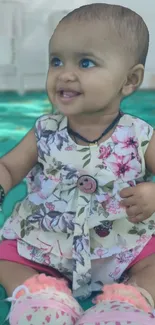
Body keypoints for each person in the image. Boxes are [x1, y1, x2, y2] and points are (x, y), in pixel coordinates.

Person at [0, 3, 155, 324]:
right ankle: (41, 294)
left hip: (122, 244)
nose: (65, 73)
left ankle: (130, 299)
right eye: (56, 61)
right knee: (5, 257)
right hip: (45, 243)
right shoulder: (44, 130)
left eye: (86, 62)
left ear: (130, 80)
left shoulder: (139, 135)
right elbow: (10, 167)